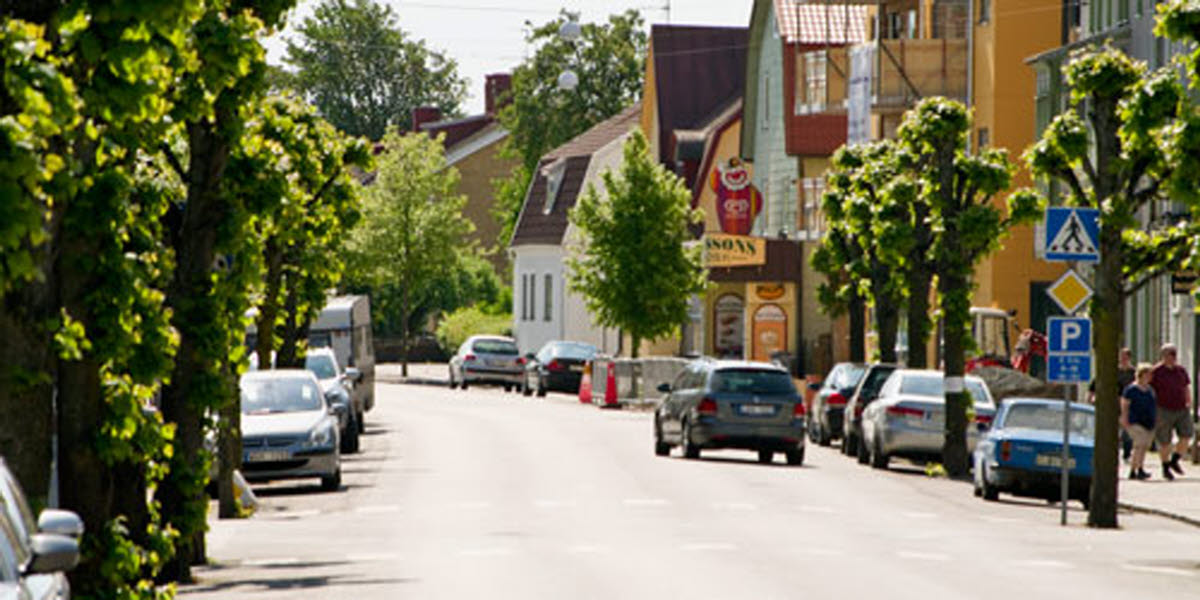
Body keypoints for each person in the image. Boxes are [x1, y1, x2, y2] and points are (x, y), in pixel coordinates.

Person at [1150, 343, 1194, 481]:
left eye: (1174, 354)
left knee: (1186, 435)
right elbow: (1149, 389)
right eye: (1170, 354)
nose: (1173, 357)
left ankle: (1175, 460)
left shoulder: (1181, 370)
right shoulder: (1156, 371)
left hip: (1181, 407)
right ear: (1163, 355)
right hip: (1163, 408)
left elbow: (1186, 386)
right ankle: (1165, 466)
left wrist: (1188, 400)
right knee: (1164, 440)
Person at [1090, 347, 1137, 461]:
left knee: (1127, 430)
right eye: (1121, 357)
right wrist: (1092, 396)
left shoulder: (1134, 373)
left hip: (1130, 404)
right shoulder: (1112, 371)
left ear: (1129, 358)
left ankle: (1127, 453)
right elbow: (1095, 384)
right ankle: (1111, 453)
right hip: (1113, 403)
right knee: (1112, 429)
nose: (1123, 359)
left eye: (1125, 357)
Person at [1120, 364, 1157, 480]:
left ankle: (1137, 468)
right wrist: (1124, 419)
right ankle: (1136, 469)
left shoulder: (1150, 390)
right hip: (1134, 421)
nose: (1148, 377)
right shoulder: (1131, 389)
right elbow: (1125, 405)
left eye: (1149, 375)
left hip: (1148, 421)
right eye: (1146, 374)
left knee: (1144, 446)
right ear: (1140, 375)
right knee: (1139, 444)